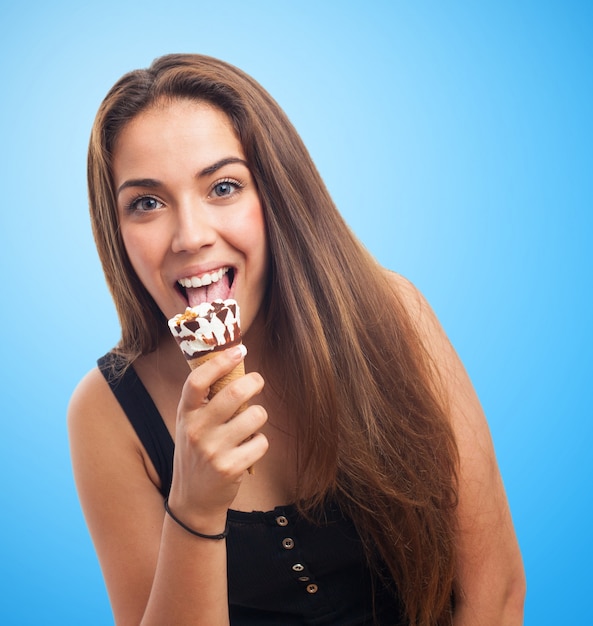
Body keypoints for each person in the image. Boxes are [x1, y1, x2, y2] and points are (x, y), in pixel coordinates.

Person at [68, 53, 525, 626]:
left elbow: (497, 593)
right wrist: (195, 508)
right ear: (118, 231)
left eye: (224, 187)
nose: (190, 236)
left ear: (276, 194)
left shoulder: (394, 318)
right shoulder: (106, 413)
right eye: (147, 203)